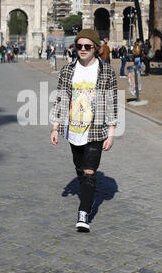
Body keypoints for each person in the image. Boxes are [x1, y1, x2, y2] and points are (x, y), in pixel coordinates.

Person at [50, 29, 118, 233]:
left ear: (95, 48)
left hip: (96, 129)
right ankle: (87, 192)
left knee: (89, 171)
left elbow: (112, 101)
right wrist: (55, 126)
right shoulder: (67, 70)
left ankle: (83, 213)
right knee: (80, 169)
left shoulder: (106, 71)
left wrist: (112, 131)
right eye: (79, 46)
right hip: (73, 129)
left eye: (87, 46)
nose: (82, 50)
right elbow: (61, 98)